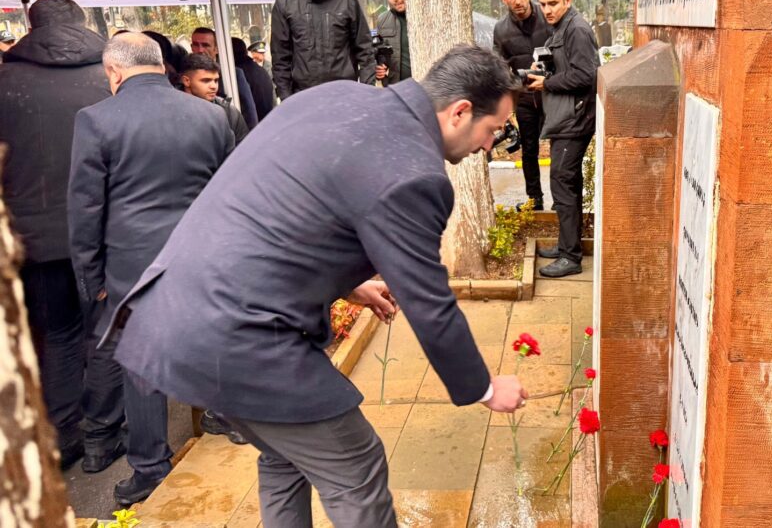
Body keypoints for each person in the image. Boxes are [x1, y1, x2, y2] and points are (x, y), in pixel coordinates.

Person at [104, 45, 528, 526]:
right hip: (236, 336)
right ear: (460, 112)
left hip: (171, 308)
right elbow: (429, 302)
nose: (489, 147)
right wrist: (484, 387)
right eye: (493, 131)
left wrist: (348, 286)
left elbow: (284, 205)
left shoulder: (334, 97)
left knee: (287, 454)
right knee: (355, 464)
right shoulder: (415, 172)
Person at [68, 32, 235, 505]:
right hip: (201, 256)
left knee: (139, 365)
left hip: (131, 266)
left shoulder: (96, 120)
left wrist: (91, 279)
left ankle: (150, 467)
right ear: (162, 66)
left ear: (113, 72)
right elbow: (229, 193)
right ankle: (225, 417)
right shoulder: (211, 115)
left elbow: (84, 209)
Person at [0, 0, 118, 473]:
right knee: (103, 329)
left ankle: (64, 433)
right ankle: (103, 433)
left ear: (31, 25)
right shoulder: (108, 77)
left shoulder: (5, 82)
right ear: (82, 22)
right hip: (102, 228)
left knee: (58, 334)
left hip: (33, 235)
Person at [526, 0, 598, 278]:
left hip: (576, 121)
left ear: (567, 1)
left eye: (553, 3)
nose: (547, 9)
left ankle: (570, 256)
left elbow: (588, 75)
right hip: (566, 119)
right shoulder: (562, 28)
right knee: (565, 184)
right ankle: (566, 244)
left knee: (562, 183)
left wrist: (548, 82)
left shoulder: (577, 29)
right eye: (542, 4)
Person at [270, 0, 374, 99]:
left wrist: (367, 93)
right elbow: (280, 59)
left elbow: (365, 51)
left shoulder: (347, 2)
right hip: (305, 98)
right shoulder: (284, 4)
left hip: (345, 96)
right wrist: (286, 100)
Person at [493, 0, 551, 211]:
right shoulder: (501, 29)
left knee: (559, 148)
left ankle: (562, 201)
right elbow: (499, 67)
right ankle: (534, 199)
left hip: (552, 93)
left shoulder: (548, 18)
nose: (517, 0)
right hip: (525, 98)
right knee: (529, 150)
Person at [191, 27, 259, 128]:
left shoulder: (232, 74)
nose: (200, 50)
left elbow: (250, 113)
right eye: (196, 45)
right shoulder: (185, 74)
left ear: (216, 49)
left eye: (206, 45)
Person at [180, 53, 250, 145]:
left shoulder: (229, 112)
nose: (213, 86)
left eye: (216, 80)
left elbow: (243, 149)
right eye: (206, 80)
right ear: (186, 81)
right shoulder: (173, 110)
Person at [374, 0, 412, 86]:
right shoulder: (382, 20)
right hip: (396, 88)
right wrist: (378, 68)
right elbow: (379, 53)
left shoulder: (425, 17)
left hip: (425, 87)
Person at [233, 37, 276, 121]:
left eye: (262, 53)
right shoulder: (260, 70)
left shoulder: (239, 72)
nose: (262, 55)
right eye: (259, 53)